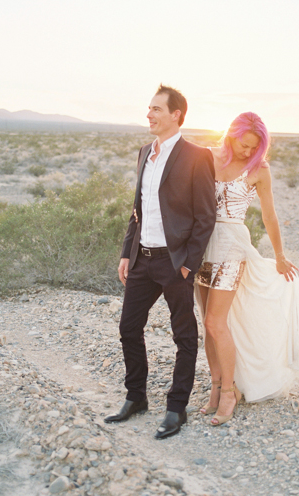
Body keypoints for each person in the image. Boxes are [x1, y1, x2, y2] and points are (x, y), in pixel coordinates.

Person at [104, 85, 217, 439]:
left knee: (183, 336)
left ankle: (176, 408)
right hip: (142, 260)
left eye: (155, 109)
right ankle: (136, 397)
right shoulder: (143, 153)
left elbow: (206, 217)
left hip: (175, 263)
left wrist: (188, 264)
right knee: (127, 329)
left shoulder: (197, 156)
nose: (148, 114)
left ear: (176, 115)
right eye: (148, 108)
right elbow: (137, 211)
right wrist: (127, 252)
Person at [195, 112, 299, 426]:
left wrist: (279, 255)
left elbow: (269, 217)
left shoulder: (259, 169)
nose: (248, 152)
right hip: (201, 244)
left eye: (254, 147)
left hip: (232, 245)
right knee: (206, 325)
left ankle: (230, 392)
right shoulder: (209, 158)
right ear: (231, 136)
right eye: (244, 145)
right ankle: (216, 387)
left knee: (215, 321)